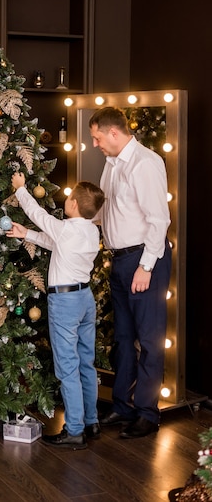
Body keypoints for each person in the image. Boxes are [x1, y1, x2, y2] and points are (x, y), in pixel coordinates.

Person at [89, 106, 171, 439]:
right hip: (119, 260)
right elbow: (111, 213)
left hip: (143, 260)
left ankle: (148, 413)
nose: (95, 145)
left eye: (96, 138)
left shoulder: (146, 164)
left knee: (150, 340)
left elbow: (159, 220)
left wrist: (145, 267)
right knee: (122, 338)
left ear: (113, 133)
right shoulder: (111, 166)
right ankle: (122, 406)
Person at [7, 172, 105, 450]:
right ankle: (91, 421)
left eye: (69, 196)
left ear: (73, 203)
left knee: (67, 367)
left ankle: (74, 430)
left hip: (65, 302)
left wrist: (21, 188)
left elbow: (38, 214)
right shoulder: (89, 230)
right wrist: (26, 234)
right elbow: (57, 243)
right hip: (85, 298)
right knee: (86, 362)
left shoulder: (65, 228)